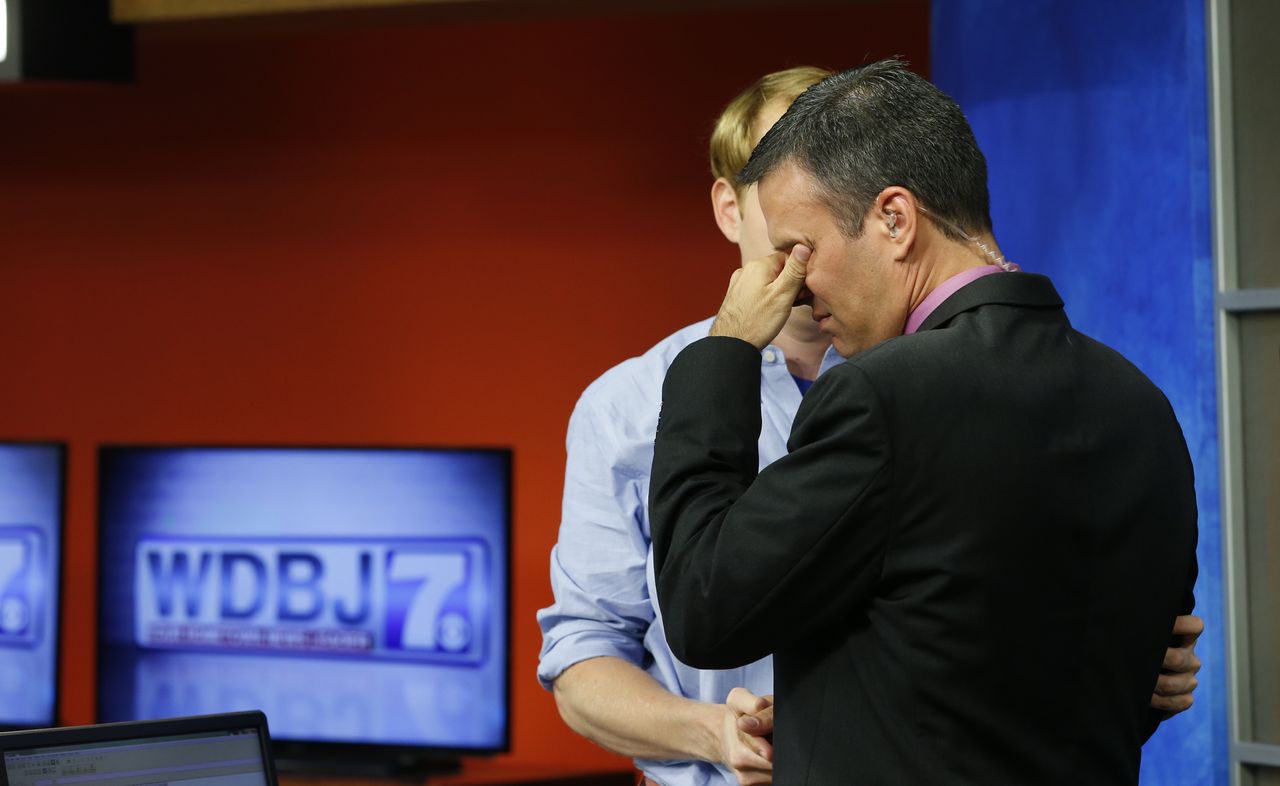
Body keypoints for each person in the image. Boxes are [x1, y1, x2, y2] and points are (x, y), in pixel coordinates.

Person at [539, 65, 1202, 786]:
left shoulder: (881, 395)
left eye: (807, 243)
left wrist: (721, 355)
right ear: (732, 207)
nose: (798, 273)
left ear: (893, 216)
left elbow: (708, 607)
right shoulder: (1139, 399)